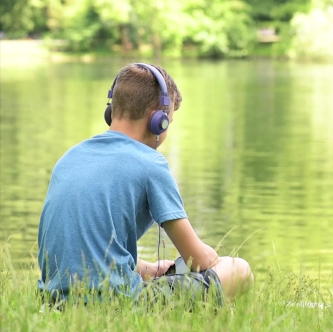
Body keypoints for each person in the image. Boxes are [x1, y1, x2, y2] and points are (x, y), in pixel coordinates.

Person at [37, 63, 253, 306]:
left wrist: (147, 268)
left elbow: (83, 247)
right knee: (239, 269)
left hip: (53, 301)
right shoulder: (151, 164)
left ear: (112, 110)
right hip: (119, 304)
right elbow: (198, 259)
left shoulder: (70, 158)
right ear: (156, 120)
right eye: (168, 121)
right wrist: (215, 261)